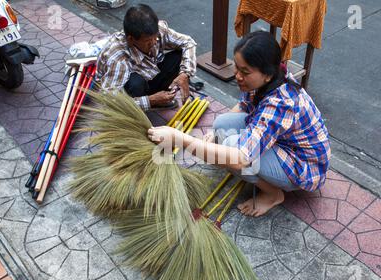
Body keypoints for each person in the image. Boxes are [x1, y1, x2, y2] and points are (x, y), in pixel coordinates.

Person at [148, 31, 331, 217]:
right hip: (281, 141)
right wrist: (213, 135)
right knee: (220, 125)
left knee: (232, 152)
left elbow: (240, 158)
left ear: (267, 75)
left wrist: (179, 138)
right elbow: (244, 104)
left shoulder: (280, 104)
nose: (238, 76)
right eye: (237, 68)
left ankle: (273, 194)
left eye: (245, 72)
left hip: (303, 165)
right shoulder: (267, 78)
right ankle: (257, 173)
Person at [96, 4, 197, 111]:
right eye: (148, 42)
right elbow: (109, 100)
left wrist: (185, 74)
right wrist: (150, 100)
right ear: (131, 39)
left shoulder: (157, 31)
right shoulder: (117, 56)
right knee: (136, 82)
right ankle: (143, 108)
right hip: (128, 91)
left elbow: (188, 42)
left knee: (179, 55)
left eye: (156, 38)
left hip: (148, 75)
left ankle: (159, 98)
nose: (154, 43)